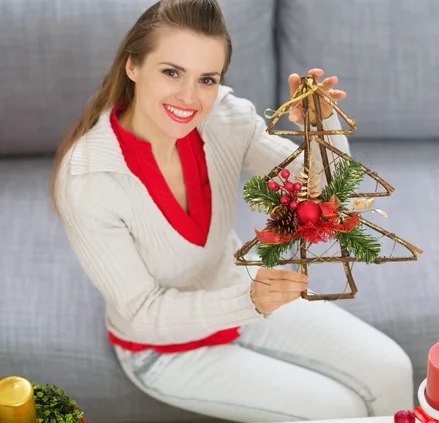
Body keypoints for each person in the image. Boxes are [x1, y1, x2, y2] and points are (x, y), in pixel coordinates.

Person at [51, 0, 414, 421]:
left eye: (206, 78)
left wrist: (321, 127)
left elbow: (329, 193)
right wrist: (251, 301)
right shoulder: (90, 179)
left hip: (244, 294)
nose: (189, 97)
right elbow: (143, 313)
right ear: (133, 65)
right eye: (171, 72)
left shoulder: (222, 117)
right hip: (169, 347)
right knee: (342, 410)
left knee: (393, 370)